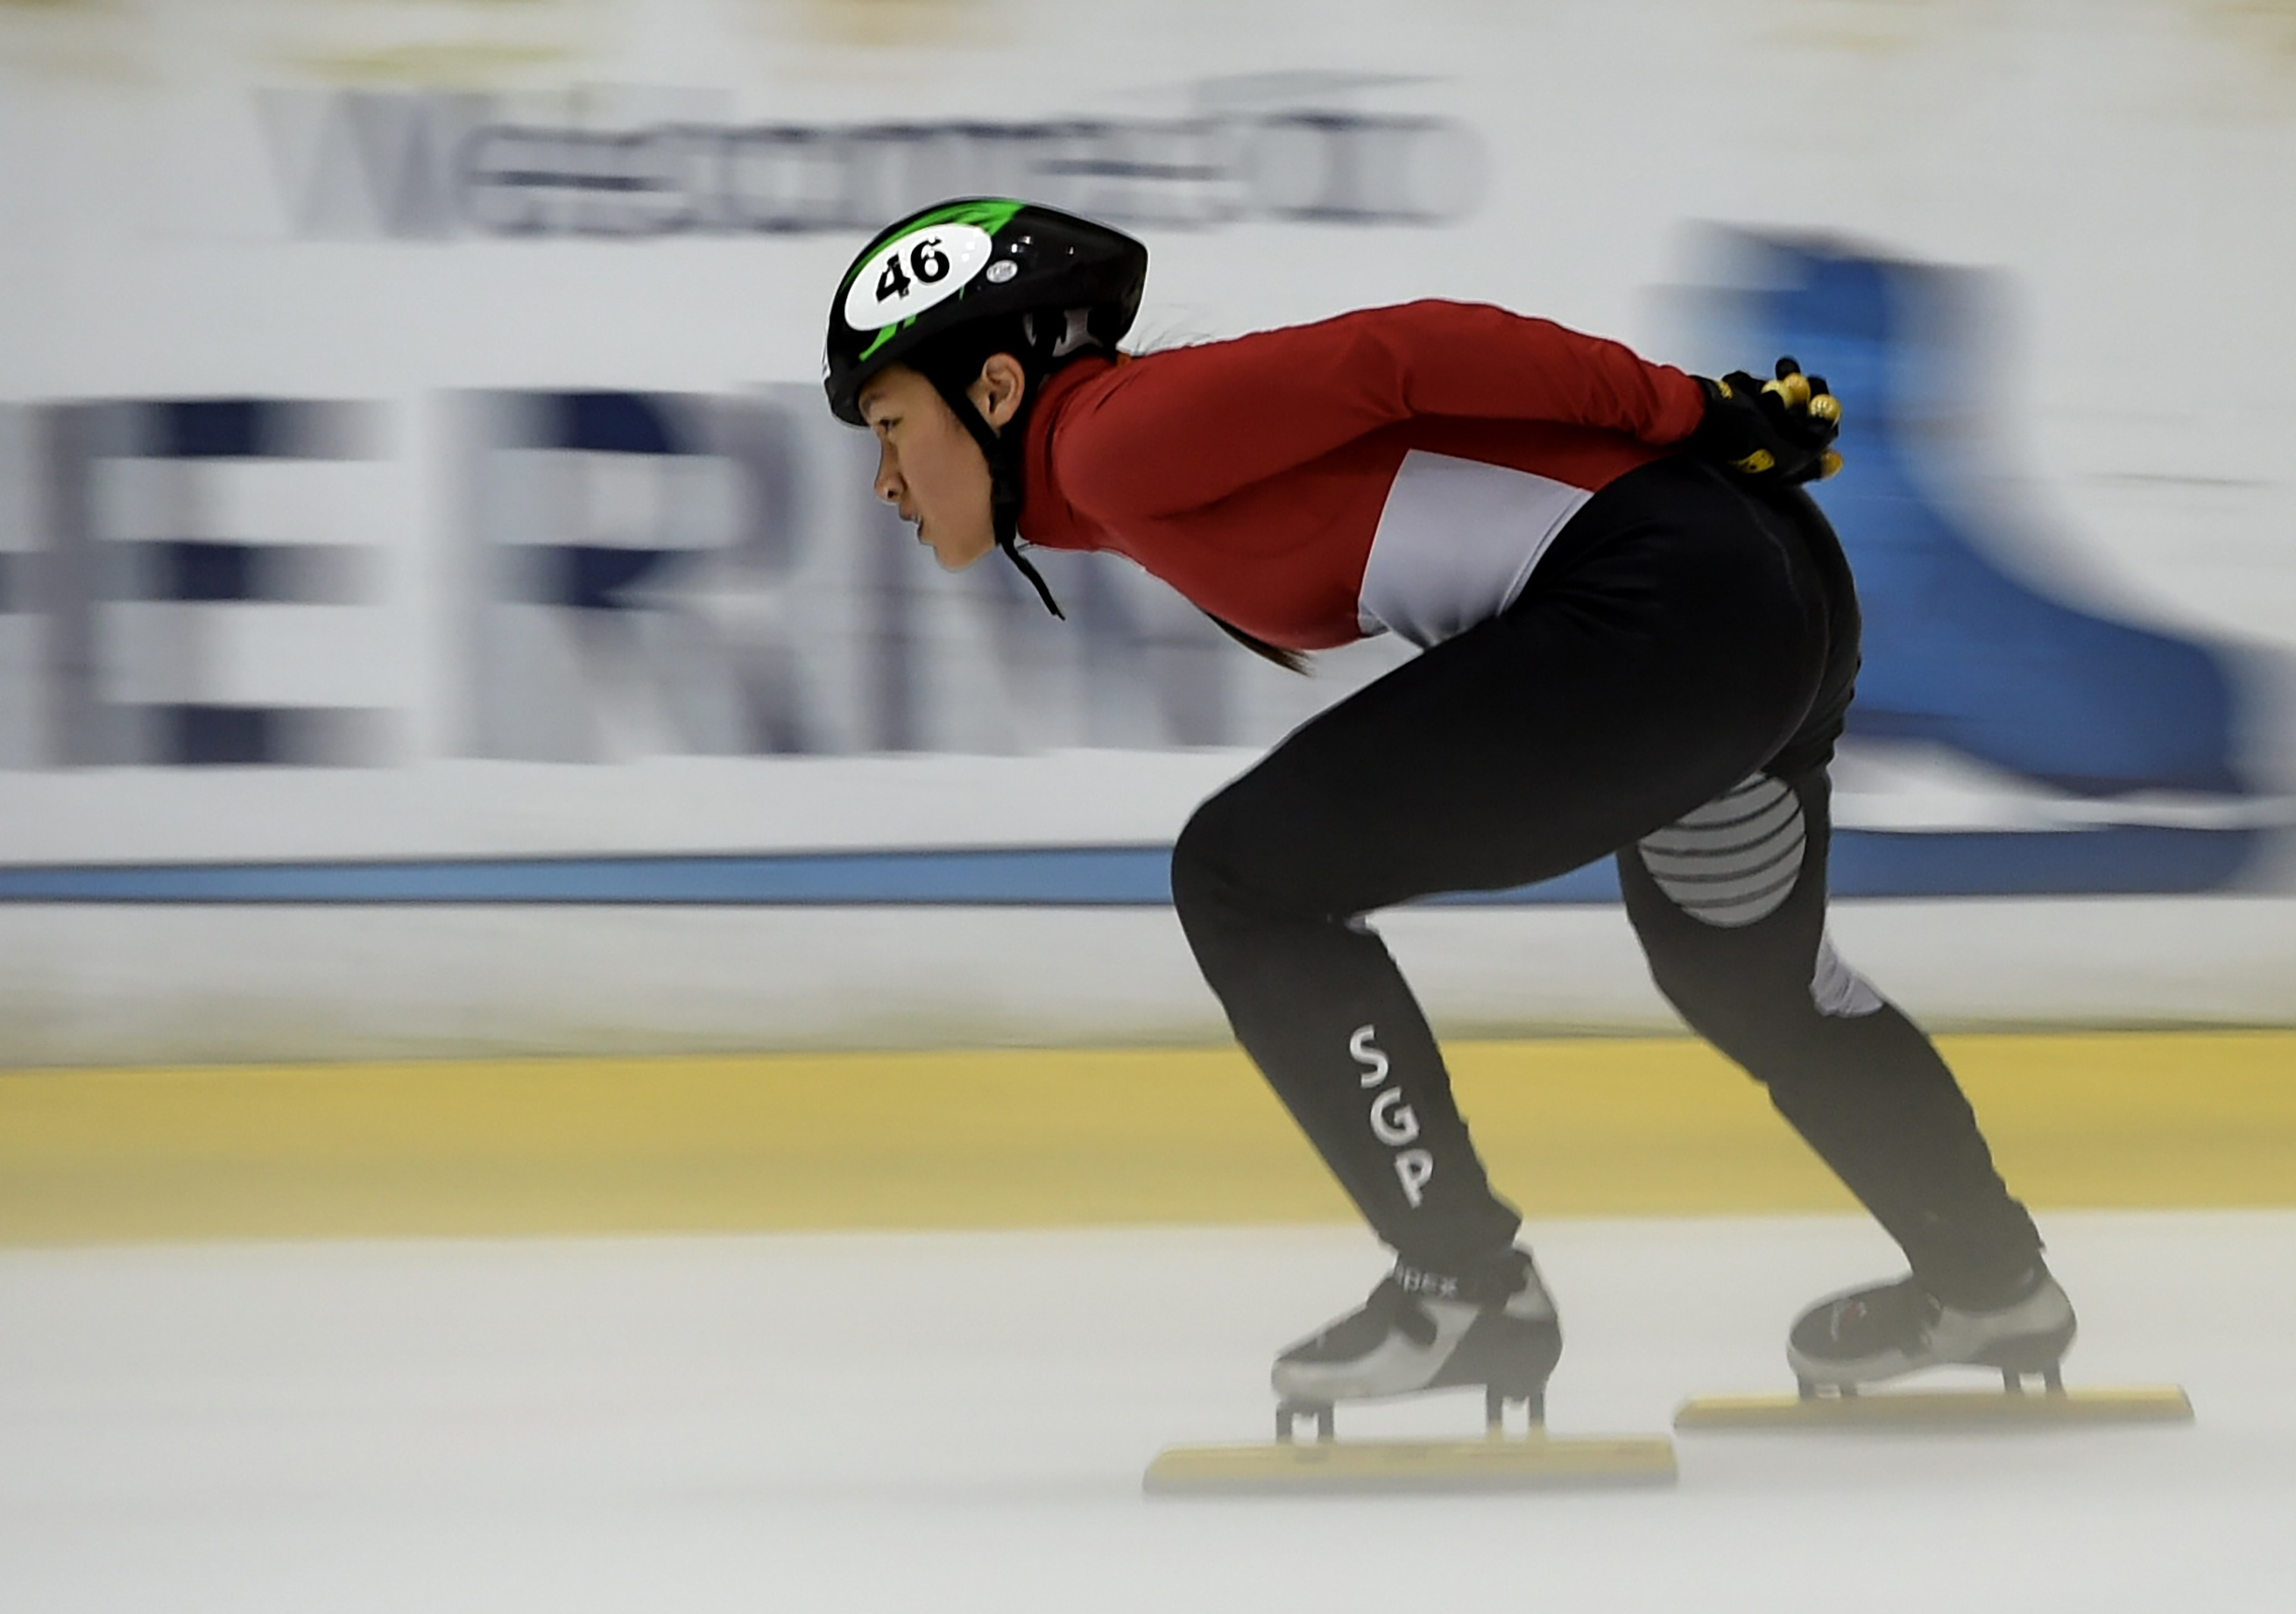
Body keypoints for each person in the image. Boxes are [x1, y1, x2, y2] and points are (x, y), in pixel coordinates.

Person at [821, 197, 2076, 1423]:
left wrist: (1693, 406)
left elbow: (1407, 351)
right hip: (1760, 600)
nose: (880, 479)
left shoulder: (1109, 437)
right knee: (1753, 978)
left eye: (887, 425)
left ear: (993, 392)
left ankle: (1463, 1288)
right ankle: (1989, 1285)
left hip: (1669, 605)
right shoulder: (1100, 479)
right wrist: (1704, 435)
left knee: (1243, 879)